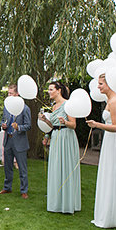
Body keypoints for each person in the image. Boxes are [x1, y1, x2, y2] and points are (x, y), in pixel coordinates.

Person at [87, 73, 116, 228]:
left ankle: (111, 216)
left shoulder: (114, 101)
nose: (98, 86)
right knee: (112, 174)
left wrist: (96, 125)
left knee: (112, 173)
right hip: (112, 141)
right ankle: (113, 214)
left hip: (114, 141)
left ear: (109, 84)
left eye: (100, 84)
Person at [39, 81, 81, 214]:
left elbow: (73, 125)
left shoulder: (68, 105)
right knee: (56, 167)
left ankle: (68, 203)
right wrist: (45, 123)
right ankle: (56, 202)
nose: (49, 92)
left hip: (66, 137)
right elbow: (52, 125)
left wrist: (65, 122)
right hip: (56, 137)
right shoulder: (54, 106)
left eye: (51, 89)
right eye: (49, 90)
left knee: (66, 167)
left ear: (59, 90)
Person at [0, 84, 31, 199]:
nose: (9, 96)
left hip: (20, 142)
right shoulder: (6, 107)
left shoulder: (25, 108)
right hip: (8, 140)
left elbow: (28, 125)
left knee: (22, 167)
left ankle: (24, 190)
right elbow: (3, 119)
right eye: (8, 93)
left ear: (17, 94)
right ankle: (7, 187)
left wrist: (18, 127)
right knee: (7, 166)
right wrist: (3, 125)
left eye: (11, 93)